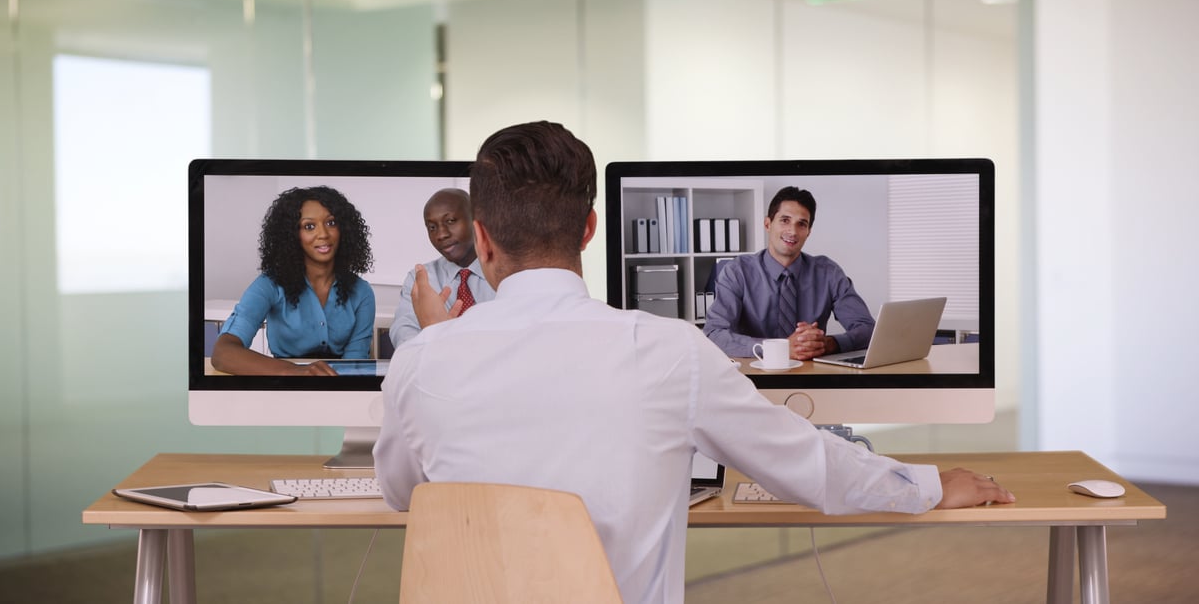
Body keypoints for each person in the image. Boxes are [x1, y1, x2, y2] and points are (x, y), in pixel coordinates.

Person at [373, 121, 1014, 604]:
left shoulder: (423, 359)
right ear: (590, 228)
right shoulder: (668, 352)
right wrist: (928, 485)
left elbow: (404, 493)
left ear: (479, 237)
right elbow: (808, 465)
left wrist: (436, 343)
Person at [211, 186, 376, 376]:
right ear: (291, 235)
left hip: (338, 387)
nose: (323, 234)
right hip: (284, 387)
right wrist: (296, 372)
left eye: (331, 223)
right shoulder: (269, 285)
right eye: (309, 226)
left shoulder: (361, 292)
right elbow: (222, 353)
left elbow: (354, 364)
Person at [703, 186, 875, 361]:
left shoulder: (828, 273)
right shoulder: (737, 271)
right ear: (768, 224)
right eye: (785, 220)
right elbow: (714, 334)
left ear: (808, 232)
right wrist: (779, 349)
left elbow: (868, 329)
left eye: (802, 224)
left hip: (812, 376)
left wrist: (829, 344)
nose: (792, 231)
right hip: (755, 375)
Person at [388, 188, 496, 349]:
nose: (441, 235)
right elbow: (403, 333)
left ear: (475, 218)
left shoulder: (505, 270)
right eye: (432, 227)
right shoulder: (420, 279)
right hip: (437, 370)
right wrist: (437, 337)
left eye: (451, 221)